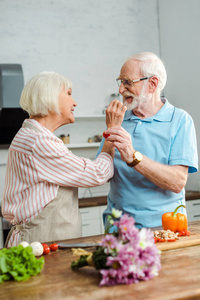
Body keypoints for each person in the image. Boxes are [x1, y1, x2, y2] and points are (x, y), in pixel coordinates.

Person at [2, 71, 126, 247]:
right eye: (68, 93)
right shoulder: (40, 142)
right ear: (49, 97)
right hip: (38, 242)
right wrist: (112, 129)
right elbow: (98, 174)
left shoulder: (31, 135)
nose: (74, 102)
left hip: (35, 239)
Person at [97, 52, 198, 229]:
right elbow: (101, 174)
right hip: (117, 229)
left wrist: (133, 156)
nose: (121, 90)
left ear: (152, 84)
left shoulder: (180, 120)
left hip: (164, 230)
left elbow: (177, 182)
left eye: (127, 82)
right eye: (120, 82)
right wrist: (112, 129)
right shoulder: (119, 119)